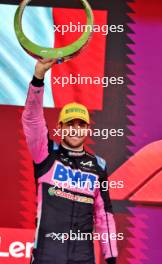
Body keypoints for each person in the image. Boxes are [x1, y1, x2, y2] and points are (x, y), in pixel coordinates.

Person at [22, 59, 118, 264]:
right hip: (47, 256)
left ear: (87, 129)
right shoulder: (46, 153)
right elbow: (32, 119)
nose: (75, 129)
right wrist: (38, 78)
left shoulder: (98, 166)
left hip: (83, 258)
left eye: (81, 124)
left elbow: (104, 215)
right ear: (61, 127)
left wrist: (111, 259)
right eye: (70, 124)